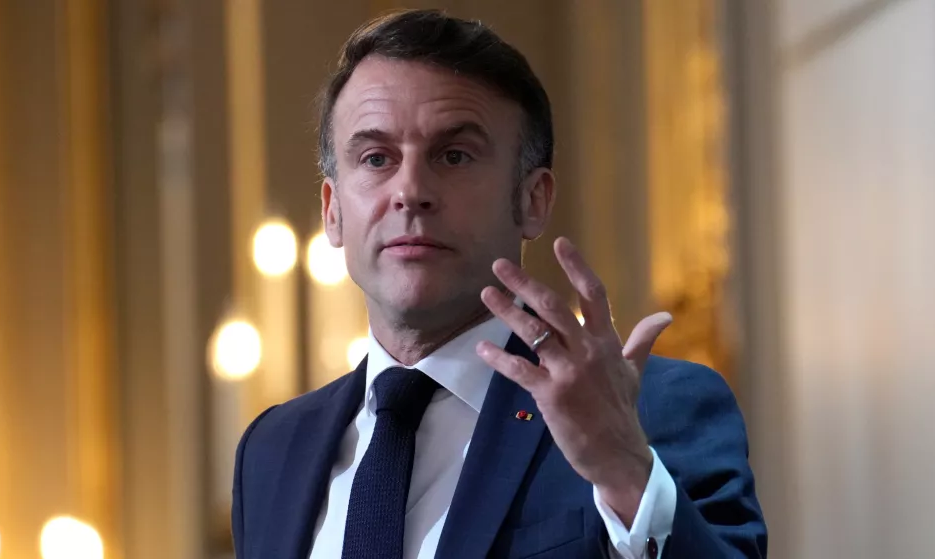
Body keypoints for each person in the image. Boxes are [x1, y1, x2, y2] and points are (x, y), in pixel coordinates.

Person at [231, 9, 766, 559]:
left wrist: (627, 475)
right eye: (375, 158)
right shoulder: (271, 452)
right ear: (333, 211)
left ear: (533, 200)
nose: (410, 190)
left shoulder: (650, 411)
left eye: (454, 155)